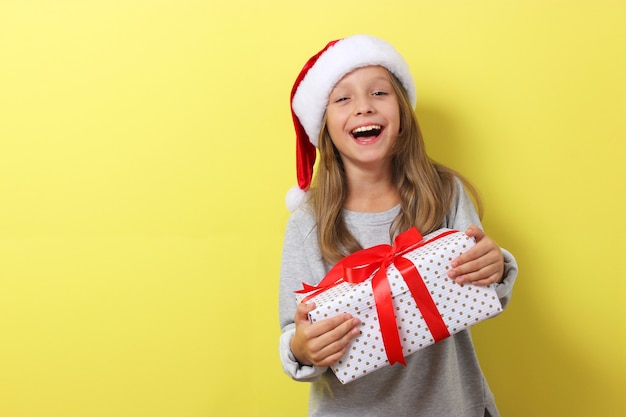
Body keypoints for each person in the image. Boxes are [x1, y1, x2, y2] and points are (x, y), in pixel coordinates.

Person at [278, 34, 518, 417]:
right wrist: (301, 349)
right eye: (343, 99)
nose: (363, 108)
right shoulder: (308, 222)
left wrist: (497, 266)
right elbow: (295, 330)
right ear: (324, 126)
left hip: (452, 405)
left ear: (403, 112)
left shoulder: (444, 193)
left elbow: (488, 293)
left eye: (379, 93)